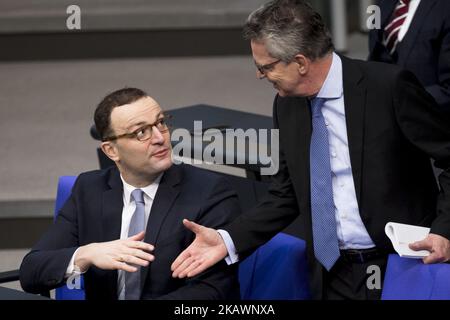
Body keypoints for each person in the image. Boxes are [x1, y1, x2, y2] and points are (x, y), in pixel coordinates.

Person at [171, 0, 450, 300]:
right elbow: (285, 193)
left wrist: (444, 229)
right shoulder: (286, 104)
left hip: (401, 266)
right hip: (331, 274)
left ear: (301, 62)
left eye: (265, 67)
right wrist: (227, 240)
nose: (259, 76)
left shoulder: (389, 87)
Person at [19, 87, 241, 300]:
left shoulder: (209, 192)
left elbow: (214, 291)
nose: (159, 137)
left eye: (161, 123)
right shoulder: (89, 189)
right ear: (111, 150)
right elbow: (31, 271)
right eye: (141, 132)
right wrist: (87, 254)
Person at [368, 0, 450, 112]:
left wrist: (399, 98)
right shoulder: (379, 6)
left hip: (426, 117)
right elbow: (374, 52)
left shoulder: (444, 7)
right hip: (381, 112)